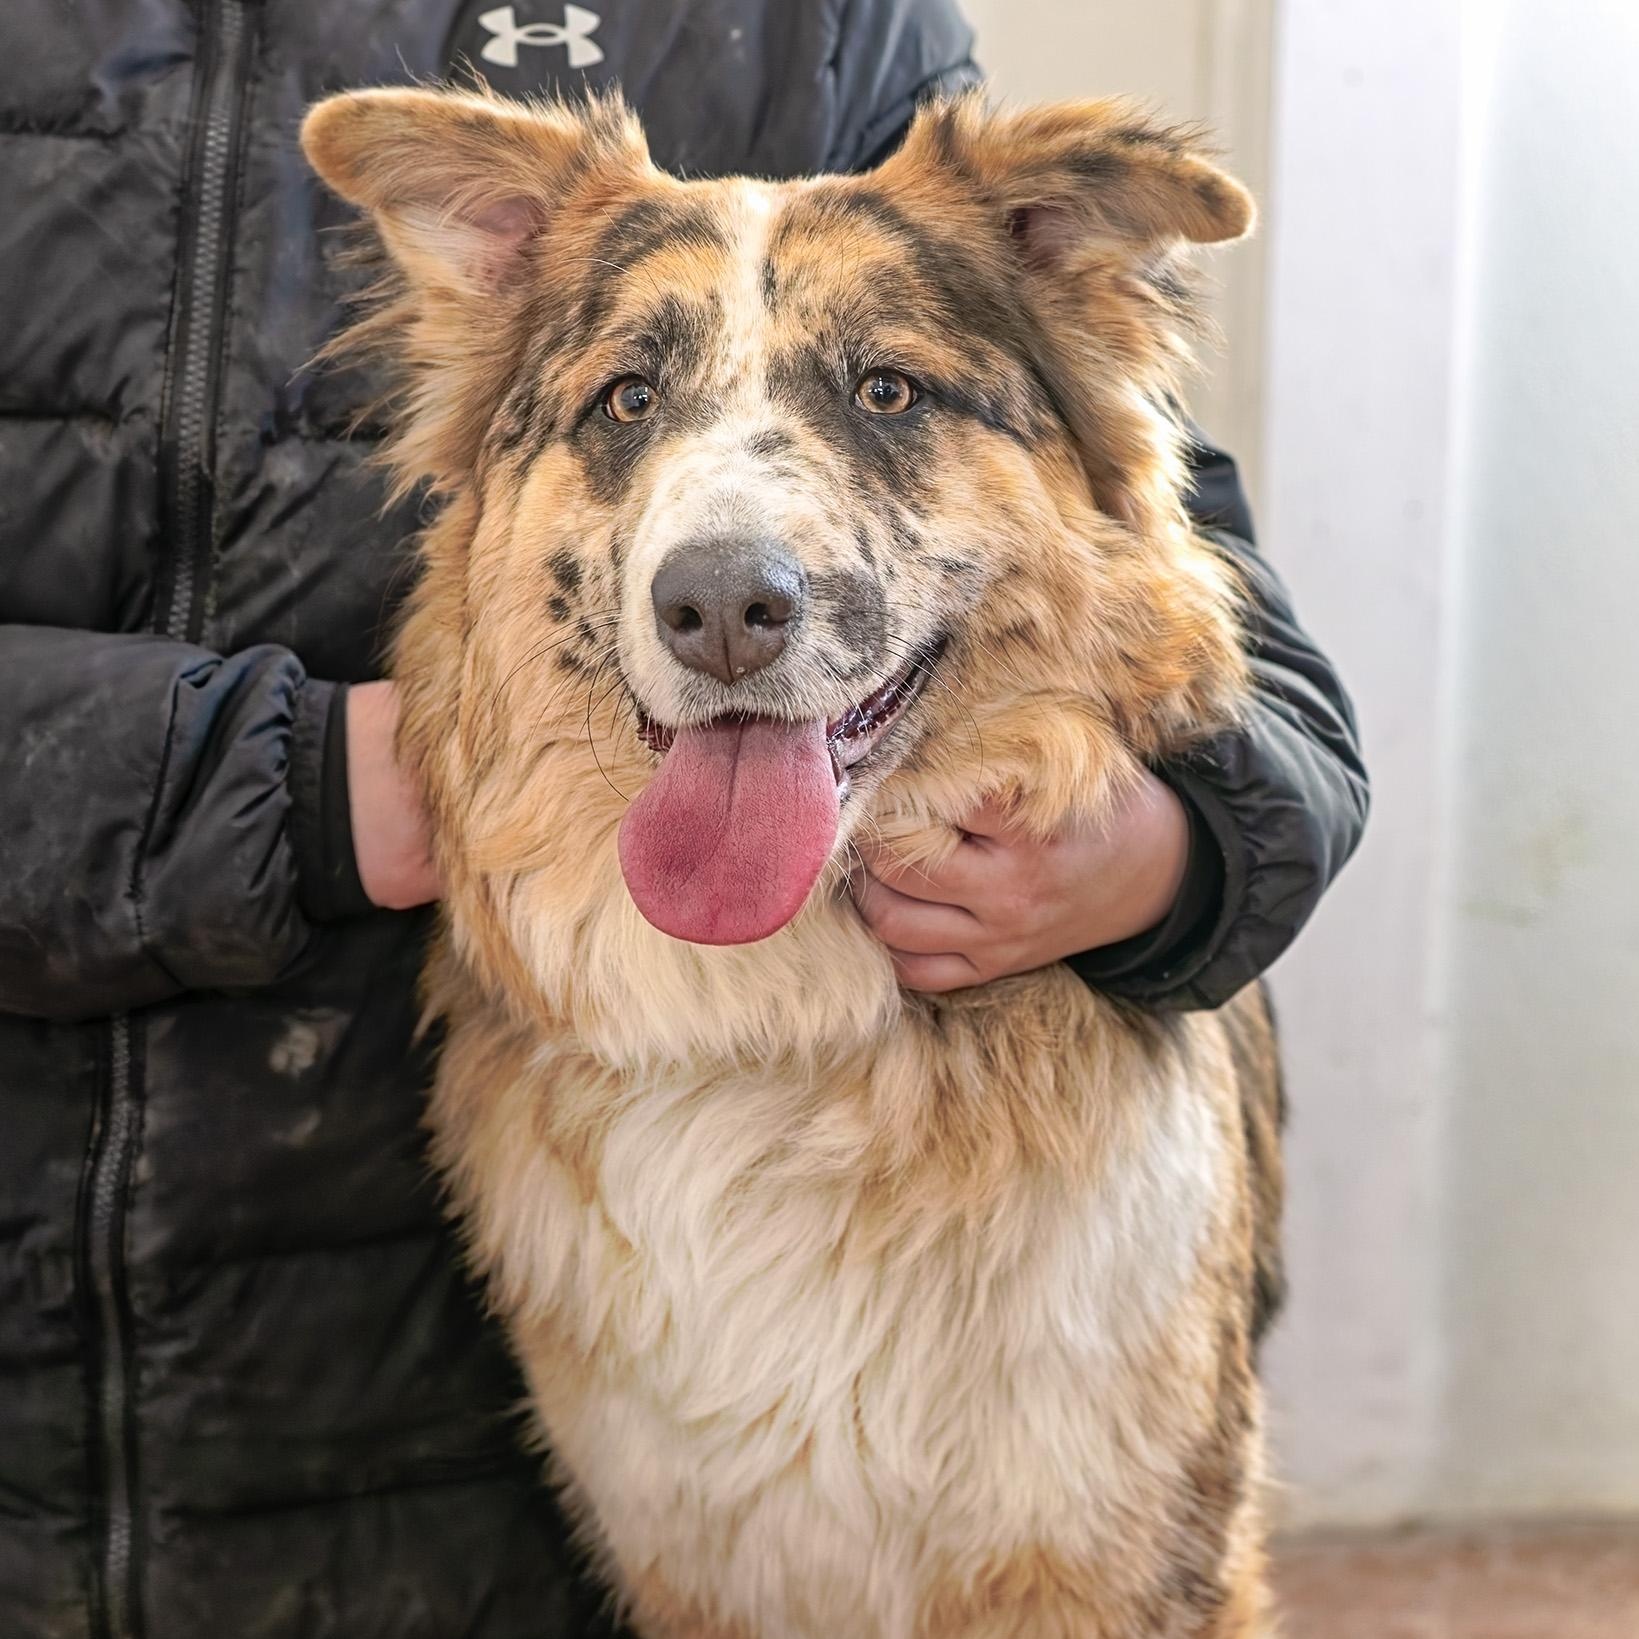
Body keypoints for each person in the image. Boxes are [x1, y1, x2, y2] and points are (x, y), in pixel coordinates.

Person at [0, 0, 1367, 1633]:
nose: (727, 571)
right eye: (626, 403)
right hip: (298, 1149)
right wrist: (283, 780)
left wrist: (1185, 852)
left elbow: (1198, 585)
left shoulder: (832, 29)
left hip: (462, 1360)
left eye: (887, 385)